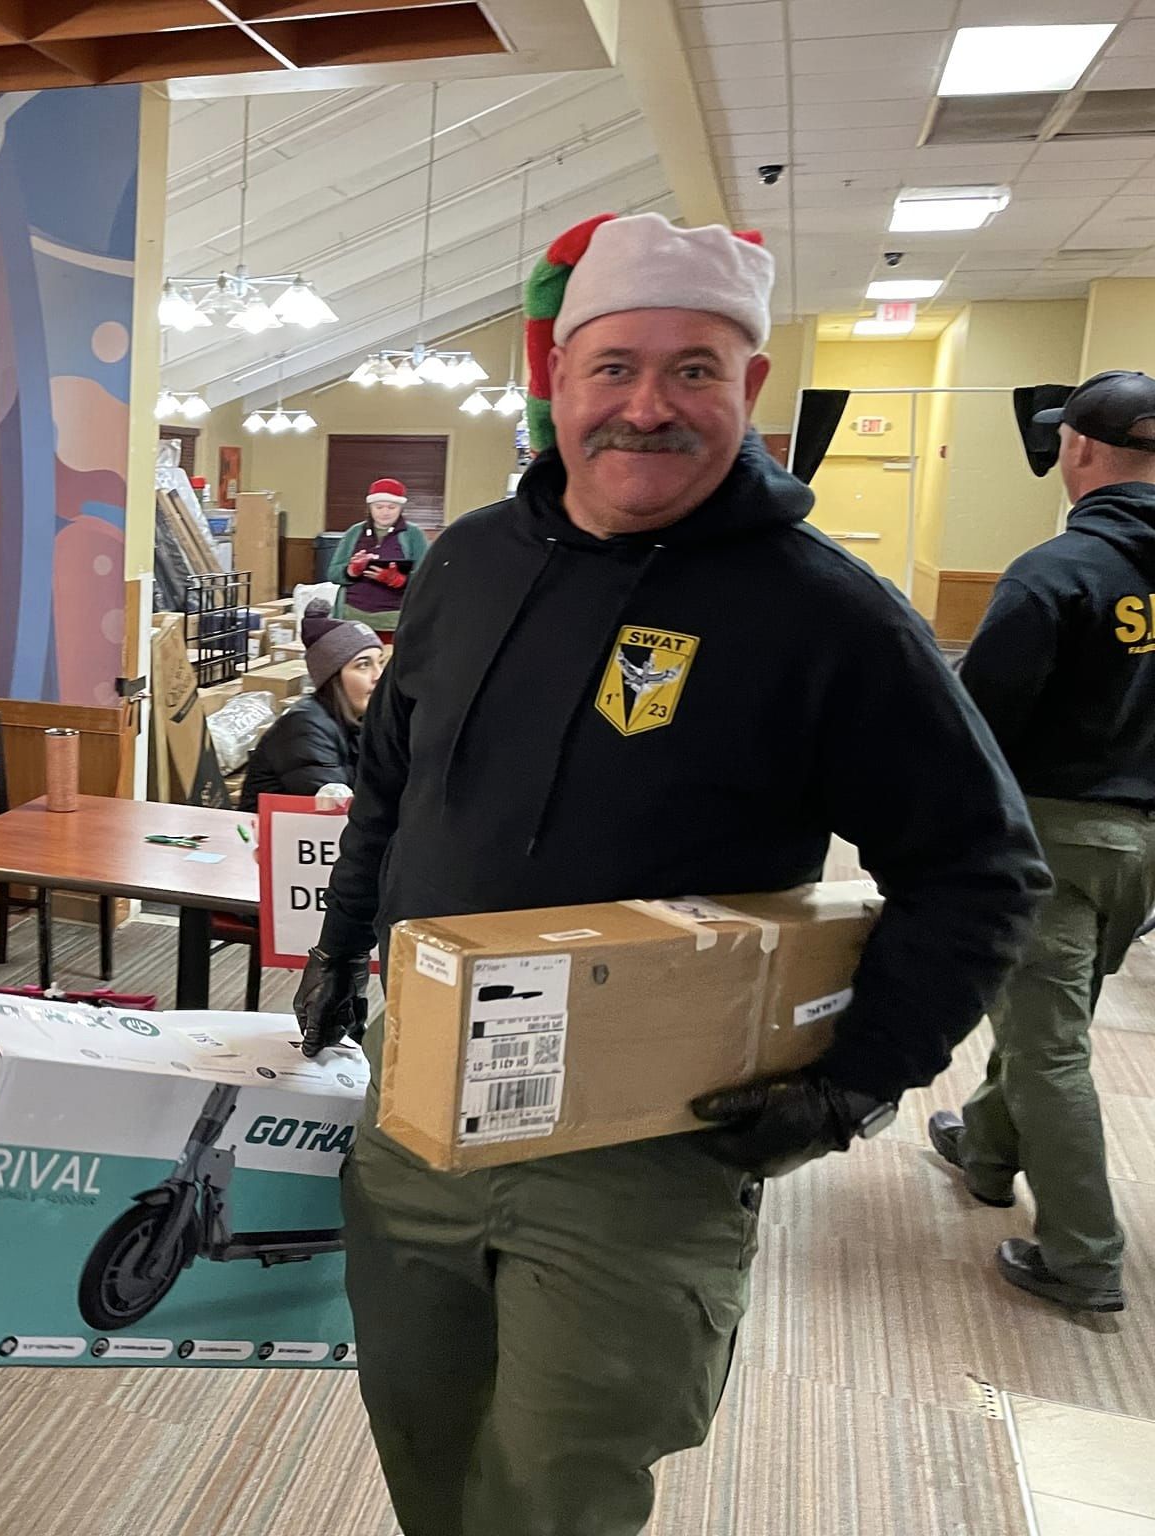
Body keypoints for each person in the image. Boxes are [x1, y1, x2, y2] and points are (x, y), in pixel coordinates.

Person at [291, 210, 1047, 1536]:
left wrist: (861, 1082)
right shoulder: (467, 560)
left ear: (749, 389)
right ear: (558, 381)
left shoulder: (824, 612)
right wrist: (338, 950)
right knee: (423, 1444)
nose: (648, 406)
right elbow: (394, 786)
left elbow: (980, 865)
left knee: (557, 1489)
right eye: (615, 367)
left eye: (693, 369)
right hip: (414, 1106)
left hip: (641, 1152)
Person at [927, 370, 1155, 1316]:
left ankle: (1083, 1254)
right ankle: (986, 1148)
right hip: (1144, 846)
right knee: (1042, 1014)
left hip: (1055, 838)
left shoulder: (1056, 571)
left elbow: (977, 726)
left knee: (1049, 1043)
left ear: (1078, 451)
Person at [239, 601, 385, 811]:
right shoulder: (305, 727)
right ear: (333, 678)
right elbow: (339, 812)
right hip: (275, 839)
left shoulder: (355, 721)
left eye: (380, 662)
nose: (378, 676)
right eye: (363, 665)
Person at [328, 478, 429, 634]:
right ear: (370, 507)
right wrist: (351, 571)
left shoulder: (414, 535)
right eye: (379, 506)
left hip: (393, 622)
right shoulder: (354, 532)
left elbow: (427, 577)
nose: (385, 512)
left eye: (391, 507)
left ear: (401, 508)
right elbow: (333, 573)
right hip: (351, 619)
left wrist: (402, 581)